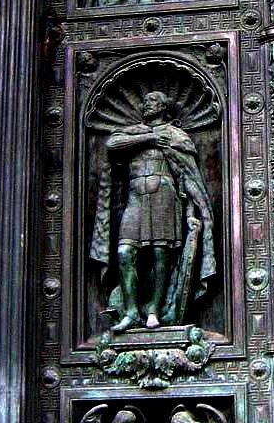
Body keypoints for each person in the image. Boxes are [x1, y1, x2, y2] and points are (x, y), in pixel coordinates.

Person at [90, 90, 216, 332]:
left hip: (165, 198)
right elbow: (111, 144)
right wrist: (147, 139)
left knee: (161, 255)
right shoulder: (132, 133)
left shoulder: (176, 136)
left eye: (153, 101)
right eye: (145, 101)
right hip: (136, 197)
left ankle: (154, 312)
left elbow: (188, 178)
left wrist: (191, 212)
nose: (147, 104)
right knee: (125, 252)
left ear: (164, 107)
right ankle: (130, 312)